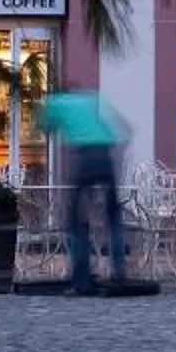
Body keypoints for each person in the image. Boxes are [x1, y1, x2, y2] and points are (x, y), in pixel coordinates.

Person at [38, 88, 130, 295]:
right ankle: (119, 271)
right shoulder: (90, 99)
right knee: (113, 215)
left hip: (85, 159)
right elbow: (119, 129)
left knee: (75, 220)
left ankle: (81, 279)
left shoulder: (54, 102)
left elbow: (45, 128)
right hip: (105, 157)